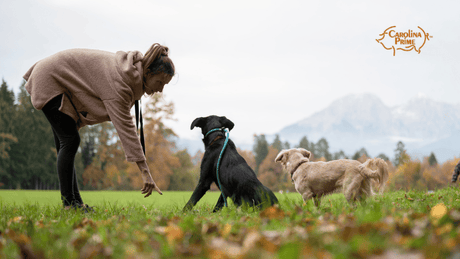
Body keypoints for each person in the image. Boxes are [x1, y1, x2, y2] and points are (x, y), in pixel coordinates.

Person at [23, 43, 174, 211]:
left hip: (56, 77)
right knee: (69, 141)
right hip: (50, 78)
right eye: (159, 82)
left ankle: (76, 204)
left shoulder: (129, 74)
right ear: (147, 73)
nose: (160, 89)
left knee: (67, 143)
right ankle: (69, 205)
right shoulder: (121, 82)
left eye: (164, 85)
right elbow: (126, 129)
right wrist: (145, 171)